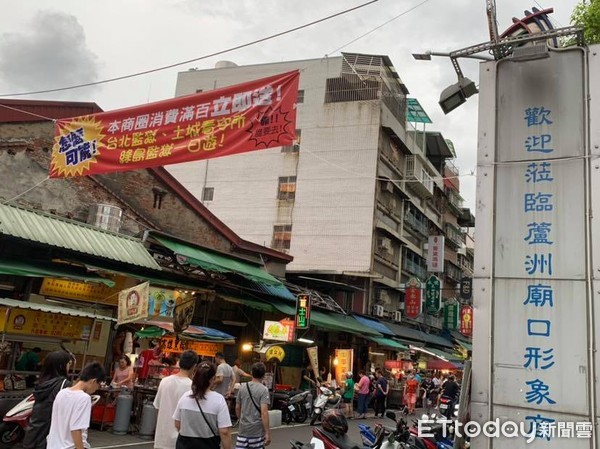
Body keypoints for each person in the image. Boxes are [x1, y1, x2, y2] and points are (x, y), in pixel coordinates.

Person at [46, 362, 106, 449]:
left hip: (53, 445)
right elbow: (76, 430)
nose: (96, 389)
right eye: (98, 385)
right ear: (93, 381)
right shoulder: (84, 398)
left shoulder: (62, 393)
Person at [173, 361, 232, 449]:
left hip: (184, 444)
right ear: (213, 379)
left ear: (195, 376)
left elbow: (177, 424)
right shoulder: (218, 400)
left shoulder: (185, 397)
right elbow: (224, 431)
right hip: (208, 444)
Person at [22, 351, 74, 449]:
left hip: (33, 431)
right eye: (68, 364)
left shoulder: (41, 382)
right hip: (49, 434)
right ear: (61, 365)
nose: (69, 367)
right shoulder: (63, 384)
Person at [153, 350, 199, 449]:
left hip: (161, 438)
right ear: (194, 366)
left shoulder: (164, 381)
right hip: (181, 440)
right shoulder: (192, 387)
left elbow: (157, 408)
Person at [235, 362, 271, 448]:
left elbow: (237, 407)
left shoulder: (242, 387)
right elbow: (264, 413)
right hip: (256, 432)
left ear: (251, 373)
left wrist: (241, 419)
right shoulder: (263, 390)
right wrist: (267, 432)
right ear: (263, 375)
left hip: (242, 431)